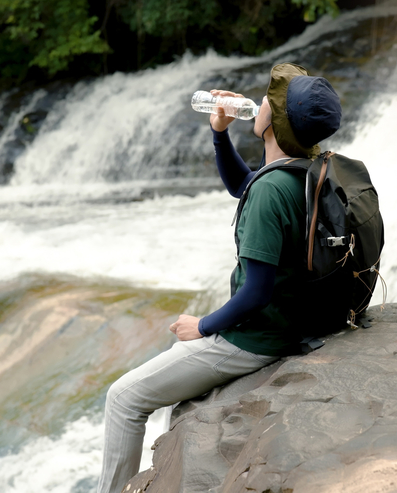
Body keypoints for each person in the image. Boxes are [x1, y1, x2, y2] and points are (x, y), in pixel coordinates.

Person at [97, 63, 342, 493]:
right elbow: (243, 186)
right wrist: (219, 132)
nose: (260, 101)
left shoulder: (272, 191)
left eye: (269, 99)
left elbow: (256, 292)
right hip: (297, 323)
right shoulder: (306, 168)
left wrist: (202, 326)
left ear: (273, 122)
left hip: (257, 340)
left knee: (123, 398)